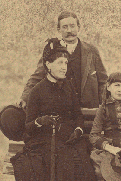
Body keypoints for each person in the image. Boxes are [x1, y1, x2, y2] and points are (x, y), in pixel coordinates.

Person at [10, 38, 100, 181]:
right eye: (59, 62)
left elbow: (77, 115)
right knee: (64, 162)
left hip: (70, 138)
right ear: (48, 65)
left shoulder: (69, 87)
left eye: (66, 63)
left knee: (83, 160)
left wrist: (77, 130)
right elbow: (28, 127)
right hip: (46, 140)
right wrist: (39, 122)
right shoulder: (37, 91)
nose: (64, 67)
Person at [0, 11, 108, 142]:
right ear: (59, 29)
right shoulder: (51, 50)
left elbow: (103, 81)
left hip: (88, 113)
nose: (69, 30)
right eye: (65, 27)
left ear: (79, 27)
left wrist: (106, 104)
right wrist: (24, 97)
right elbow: (36, 77)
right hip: (63, 111)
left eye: (72, 26)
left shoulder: (91, 51)